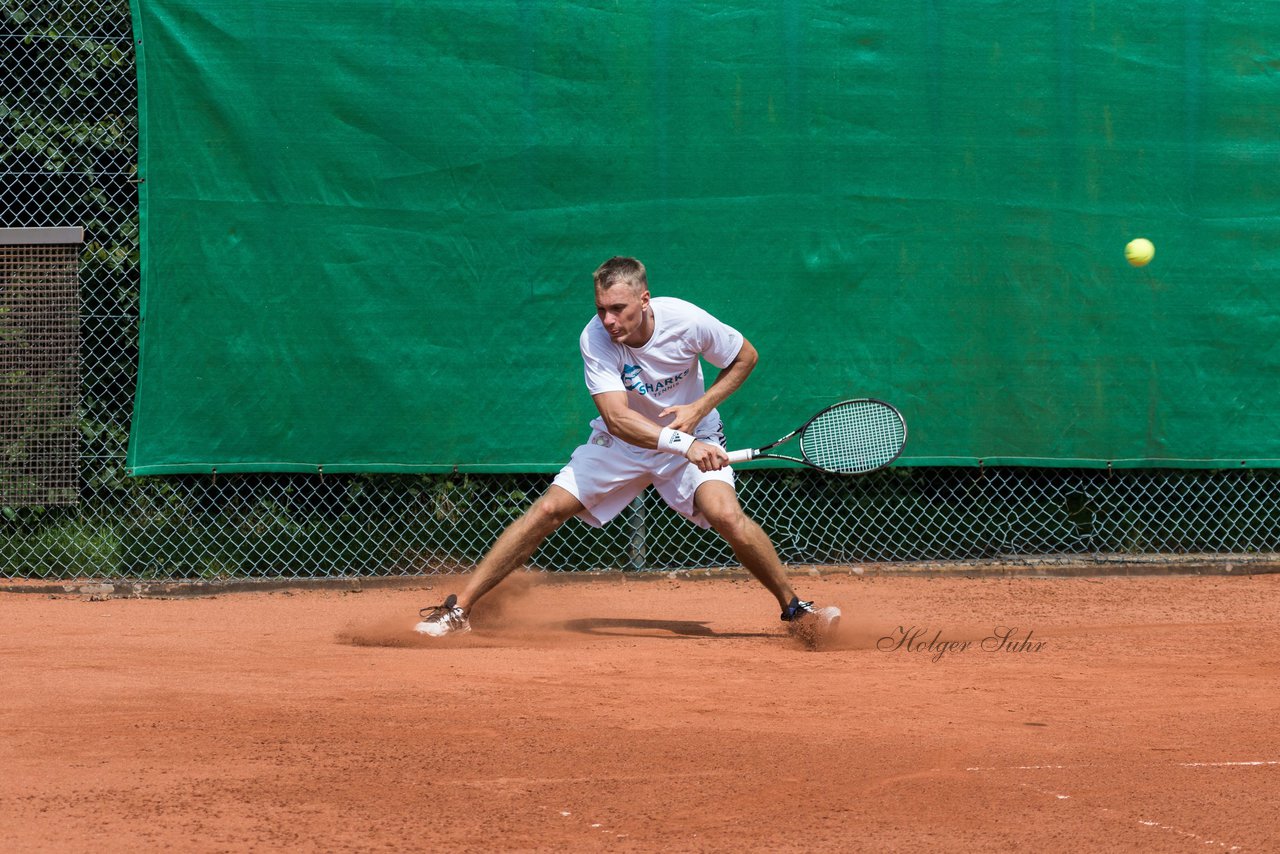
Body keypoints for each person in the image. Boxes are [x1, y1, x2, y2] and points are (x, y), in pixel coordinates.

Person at [415, 256, 840, 645]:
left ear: (644, 298)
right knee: (547, 511)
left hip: (694, 432)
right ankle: (458, 611)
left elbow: (745, 357)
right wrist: (684, 444)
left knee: (726, 515)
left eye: (618, 309)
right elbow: (618, 418)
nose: (608, 319)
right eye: (601, 309)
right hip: (625, 443)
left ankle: (795, 609)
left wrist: (699, 408)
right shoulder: (595, 338)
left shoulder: (687, 321)